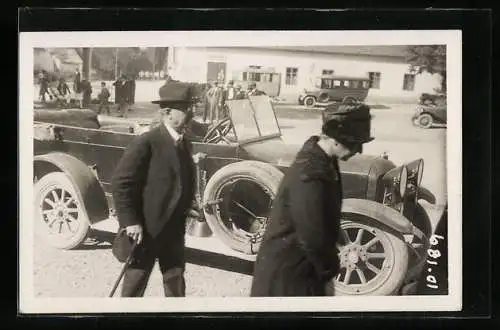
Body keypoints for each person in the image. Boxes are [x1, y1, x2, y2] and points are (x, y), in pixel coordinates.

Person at [250, 102, 374, 297]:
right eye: (355, 143)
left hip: (304, 267)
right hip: (289, 274)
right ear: (335, 140)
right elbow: (312, 234)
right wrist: (328, 271)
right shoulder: (310, 172)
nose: (359, 150)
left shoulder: (325, 160)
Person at [111, 81, 198, 297]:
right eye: (186, 108)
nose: (192, 113)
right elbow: (121, 184)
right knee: (136, 282)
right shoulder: (146, 142)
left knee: (175, 280)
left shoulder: (185, 143)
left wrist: (189, 204)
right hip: (146, 231)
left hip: (174, 231)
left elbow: (181, 179)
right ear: (168, 112)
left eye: (192, 107)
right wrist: (131, 222)